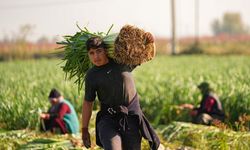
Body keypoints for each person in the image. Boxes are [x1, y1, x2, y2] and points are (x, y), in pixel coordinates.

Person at [82, 34, 160, 150]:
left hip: (130, 119)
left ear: (106, 51)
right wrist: (84, 129)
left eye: (99, 51)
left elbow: (148, 56)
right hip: (108, 119)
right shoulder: (91, 75)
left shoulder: (122, 63)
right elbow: (88, 102)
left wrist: (151, 42)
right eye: (91, 53)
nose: (96, 57)